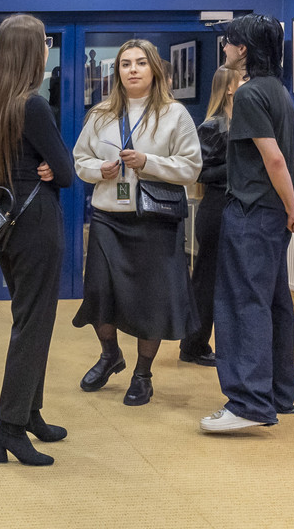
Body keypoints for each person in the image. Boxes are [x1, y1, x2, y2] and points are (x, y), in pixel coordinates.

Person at [202, 14, 294, 434]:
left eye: (229, 42)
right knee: (274, 302)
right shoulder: (279, 92)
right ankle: (278, 393)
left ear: (244, 49)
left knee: (243, 304)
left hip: (252, 213)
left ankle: (249, 403)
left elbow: (274, 159)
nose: (225, 48)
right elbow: (293, 159)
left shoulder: (250, 94)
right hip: (272, 215)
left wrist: (293, 208)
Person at [72, 39, 203, 406]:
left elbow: (192, 167)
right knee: (99, 294)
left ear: (154, 69)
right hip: (108, 219)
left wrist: (148, 162)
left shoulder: (175, 114)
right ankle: (110, 354)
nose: (132, 69)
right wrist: (99, 169)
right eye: (125, 63)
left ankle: (143, 374)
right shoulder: (100, 114)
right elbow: (80, 159)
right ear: (117, 71)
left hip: (154, 221)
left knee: (151, 302)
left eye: (141, 63)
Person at [0, 15, 73, 466]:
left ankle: (30, 413)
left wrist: (51, 166)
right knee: (33, 326)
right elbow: (67, 173)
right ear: (32, 53)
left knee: (30, 320)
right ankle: (10, 427)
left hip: (8, 224)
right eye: (43, 43)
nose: (47, 49)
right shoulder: (33, 106)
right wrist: (54, 167)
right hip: (36, 223)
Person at [179, 65, 243, 366]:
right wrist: (238, 168)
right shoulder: (212, 127)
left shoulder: (243, 123)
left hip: (236, 207)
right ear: (229, 88)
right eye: (242, 79)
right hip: (216, 208)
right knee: (207, 280)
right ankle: (193, 344)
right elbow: (198, 172)